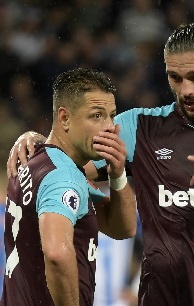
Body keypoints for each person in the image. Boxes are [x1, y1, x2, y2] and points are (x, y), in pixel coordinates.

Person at [6, 17, 194, 306]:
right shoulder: (139, 126)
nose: (186, 90)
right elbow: (65, 163)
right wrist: (38, 141)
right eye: (175, 78)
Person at [2, 68, 137, 306]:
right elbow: (57, 254)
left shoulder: (37, 158)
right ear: (64, 118)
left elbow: (122, 229)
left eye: (111, 115)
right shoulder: (63, 177)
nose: (108, 127)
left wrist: (117, 175)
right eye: (96, 116)